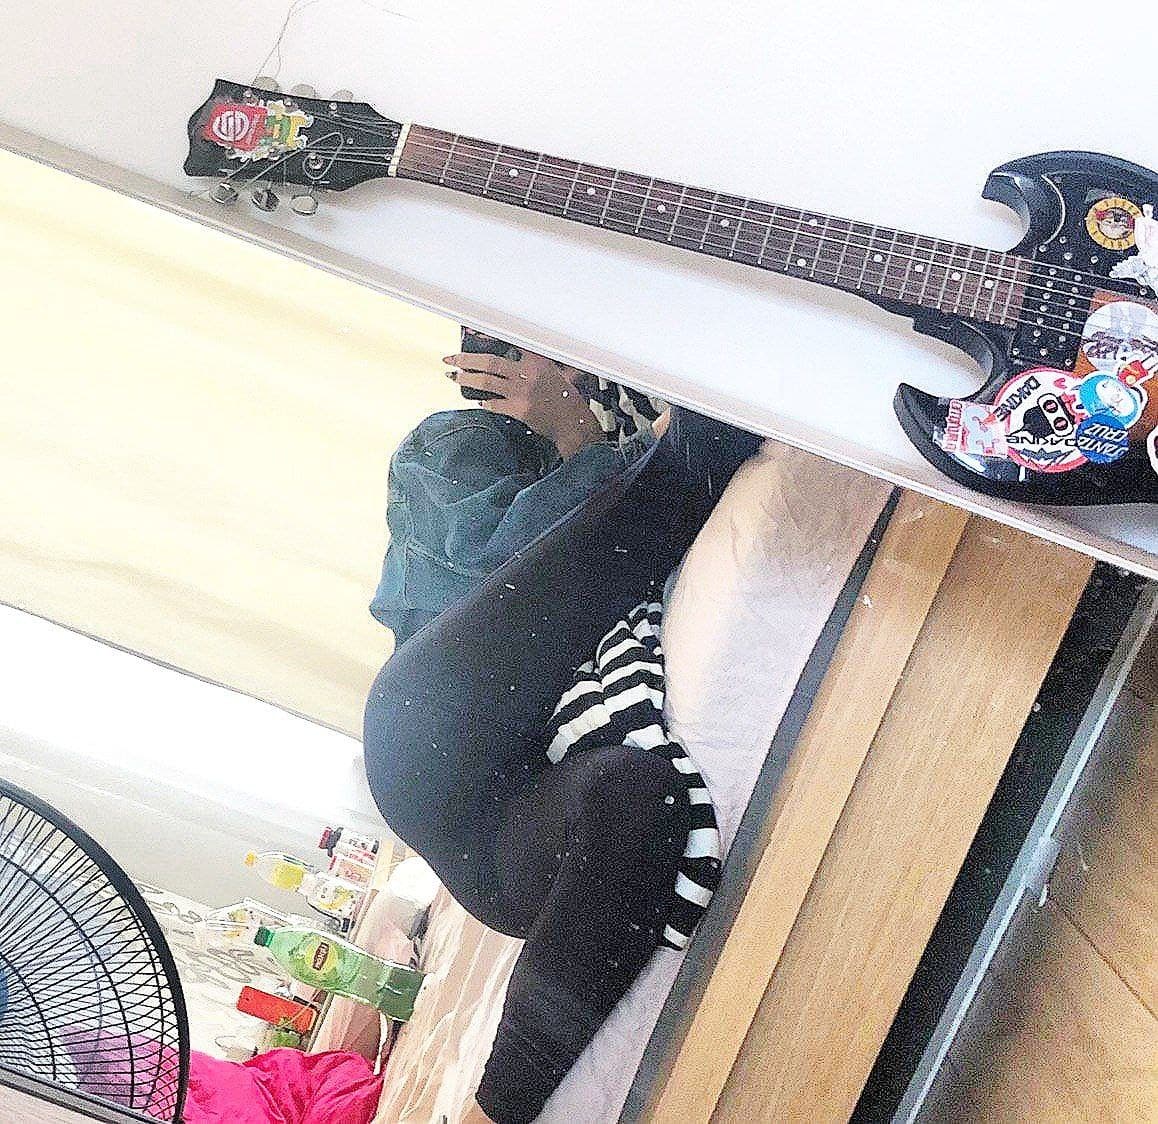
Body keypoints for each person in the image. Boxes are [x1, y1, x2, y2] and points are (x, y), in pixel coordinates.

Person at [366, 339, 760, 1122]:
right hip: (435, 740)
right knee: (686, 467)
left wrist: (582, 437)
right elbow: (503, 562)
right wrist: (578, 435)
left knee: (635, 795)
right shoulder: (453, 440)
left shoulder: (595, 431)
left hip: (505, 835)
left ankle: (491, 1112)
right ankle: (711, 431)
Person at [370, 338, 665, 645]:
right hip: (477, 651)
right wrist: (574, 436)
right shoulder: (460, 443)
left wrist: (576, 438)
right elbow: (511, 576)